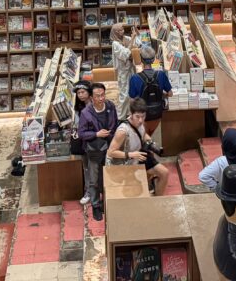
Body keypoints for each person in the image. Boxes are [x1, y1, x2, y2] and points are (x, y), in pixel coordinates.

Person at [107, 98, 171, 196]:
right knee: (135, 192)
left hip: (139, 154)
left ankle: (158, 199)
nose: (140, 120)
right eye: (137, 117)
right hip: (127, 160)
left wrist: (151, 142)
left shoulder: (141, 123)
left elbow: (143, 134)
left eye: (143, 116)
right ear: (131, 114)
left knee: (164, 173)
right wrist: (131, 154)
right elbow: (111, 152)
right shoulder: (123, 131)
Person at [76, 82, 117, 218]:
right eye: (97, 96)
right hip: (93, 150)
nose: (101, 98)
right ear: (92, 98)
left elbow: (115, 124)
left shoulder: (110, 106)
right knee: (94, 179)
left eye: (103, 95)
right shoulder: (86, 113)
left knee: (108, 176)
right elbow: (81, 133)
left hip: (109, 147)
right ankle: (96, 205)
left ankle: (107, 201)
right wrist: (96, 134)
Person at [128, 45, 173, 134]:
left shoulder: (135, 78)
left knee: (143, 140)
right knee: (155, 140)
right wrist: (161, 93)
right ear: (153, 60)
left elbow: (132, 100)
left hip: (142, 116)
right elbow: (170, 93)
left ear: (141, 59)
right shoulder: (161, 74)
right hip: (157, 114)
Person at [69, 80, 93, 203]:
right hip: (84, 142)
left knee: (95, 167)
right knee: (86, 167)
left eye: (83, 92)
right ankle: (88, 192)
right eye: (78, 93)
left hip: (96, 141)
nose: (80, 95)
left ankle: (94, 191)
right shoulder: (79, 107)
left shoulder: (95, 105)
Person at [110, 23, 137, 117]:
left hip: (130, 69)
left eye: (123, 29)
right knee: (124, 94)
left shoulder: (125, 38)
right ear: (115, 32)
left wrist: (136, 33)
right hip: (123, 71)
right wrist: (133, 39)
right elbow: (124, 54)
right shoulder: (115, 44)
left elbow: (138, 43)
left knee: (131, 93)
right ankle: (120, 116)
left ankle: (129, 113)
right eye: (120, 30)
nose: (123, 31)